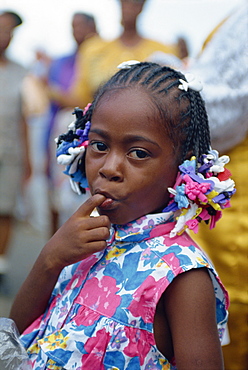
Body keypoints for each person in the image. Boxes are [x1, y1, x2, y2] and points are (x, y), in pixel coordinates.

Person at [9, 62, 236, 369]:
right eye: (100, 146)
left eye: (138, 153)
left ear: (184, 166)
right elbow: (15, 335)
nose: (109, 168)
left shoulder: (182, 275)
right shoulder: (82, 237)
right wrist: (49, 259)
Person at [49, 0, 180, 109]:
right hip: (98, 126)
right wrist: (50, 91)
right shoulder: (93, 50)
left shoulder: (163, 51)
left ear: (142, 6)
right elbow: (80, 98)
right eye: (125, 2)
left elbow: (172, 98)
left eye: (135, 3)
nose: (129, 7)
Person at [44, 12, 97, 235]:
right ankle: (55, 243)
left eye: (80, 26)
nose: (76, 31)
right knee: (58, 192)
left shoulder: (99, 56)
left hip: (89, 131)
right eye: (73, 26)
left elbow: (81, 100)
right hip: (61, 130)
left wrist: (51, 90)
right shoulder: (62, 62)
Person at [0, 10, 31, 282]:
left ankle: (1, 266)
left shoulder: (22, 72)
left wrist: (28, 158)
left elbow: (24, 118)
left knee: (5, 208)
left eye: (10, 31)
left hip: (10, 152)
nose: (4, 36)